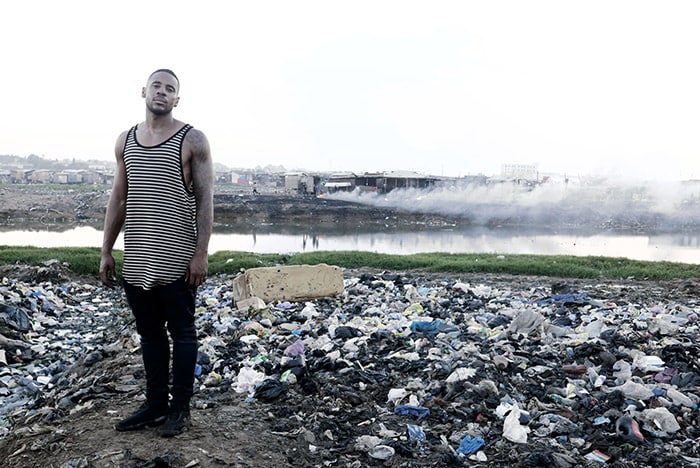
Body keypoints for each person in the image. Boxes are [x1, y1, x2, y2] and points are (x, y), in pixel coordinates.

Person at [100, 69, 214, 437]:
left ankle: (180, 409)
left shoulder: (192, 139)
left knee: (182, 334)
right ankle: (154, 405)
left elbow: (206, 200)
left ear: (177, 99)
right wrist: (106, 251)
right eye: (157, 86)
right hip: (137, 259)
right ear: (144, 91)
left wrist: (200, 254)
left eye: (170, 89)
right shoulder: (126, 140)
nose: (162, 92)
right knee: (149, 336)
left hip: (178, 258)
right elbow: (119, 199)